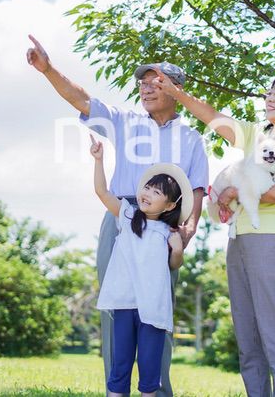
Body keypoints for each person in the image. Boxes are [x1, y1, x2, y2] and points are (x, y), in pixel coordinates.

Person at [25, 34, 208, 397]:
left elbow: (198, 190)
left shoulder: (191, 138)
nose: (146, 88)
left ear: (176, 89)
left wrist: (187, 230)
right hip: (121, 216)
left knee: (157, 311)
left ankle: (156, 389)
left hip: (163, 228)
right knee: (116, 309)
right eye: (142, 83)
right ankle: (116, 389)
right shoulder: (125, 121)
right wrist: (48, 70)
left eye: (156, 82)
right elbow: (82, 99)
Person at [153, 69, 275, 397]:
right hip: (238, 239)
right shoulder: (258, 135)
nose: (270, 98)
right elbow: (213, 117)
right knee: (247, 337)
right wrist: (176, 92)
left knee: (274, 335)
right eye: (269, 92)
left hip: (270, 241)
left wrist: (232, 194)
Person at [90, 133, 190, 397]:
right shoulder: (127, 215)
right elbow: (102, 192)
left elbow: (172, 264)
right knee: (120, 364)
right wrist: (99, 160)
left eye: (157, 192)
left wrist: (178, 249)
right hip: (125, 303)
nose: (148, 193)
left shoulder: (167, 232)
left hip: (153, 309)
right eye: (147, 187)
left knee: (149, 368)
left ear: (169, 205)